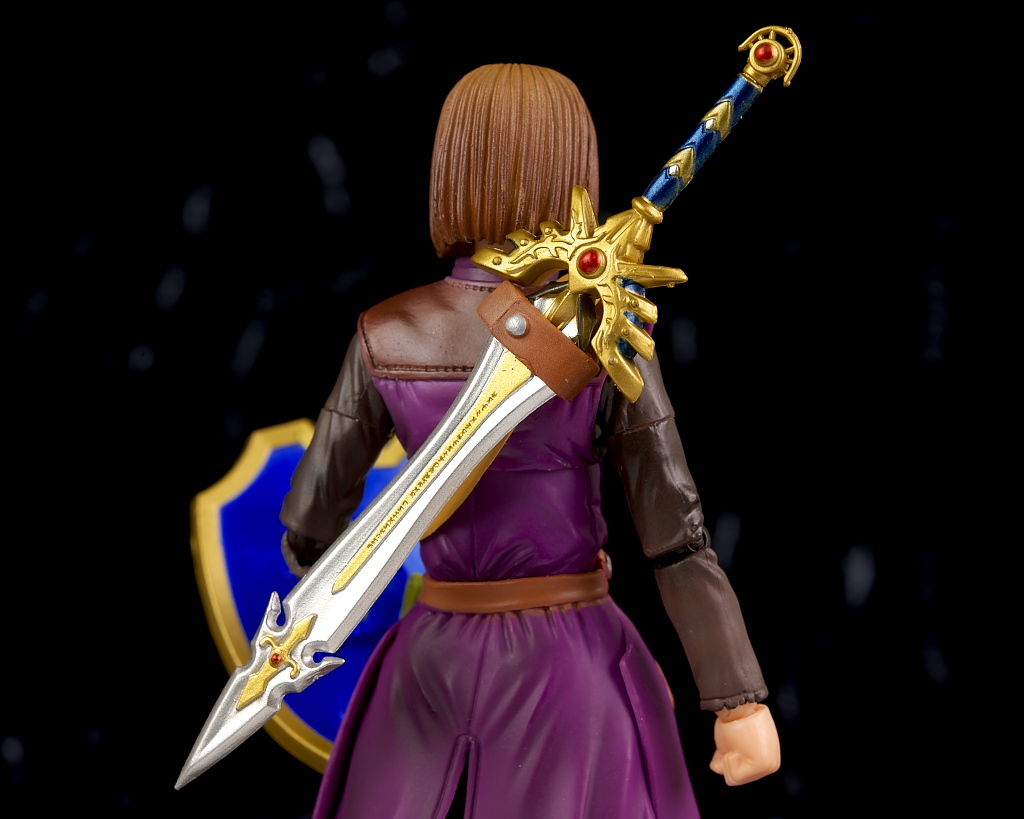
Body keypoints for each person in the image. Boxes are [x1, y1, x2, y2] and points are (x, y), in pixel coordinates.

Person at [280, 63, 779, 819]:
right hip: (570, 661)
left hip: (428, 663)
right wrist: (737, 698)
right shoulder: (607, 334)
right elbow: (676, 536)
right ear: (572, 172)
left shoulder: (387, 330)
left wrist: (315, 566)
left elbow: (311, 527)